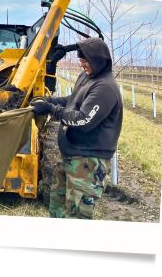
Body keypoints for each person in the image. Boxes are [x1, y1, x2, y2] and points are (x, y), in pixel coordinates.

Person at [32, 38, 123, 219]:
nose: (81, 65)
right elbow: (72, 102)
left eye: (85, 61)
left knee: (77, 217)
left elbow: (83, 119)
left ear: (97, 59)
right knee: (58, 212)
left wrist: (50, 110)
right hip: (71, 156)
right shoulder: (87, 77)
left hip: (88, 163)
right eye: (80, 60)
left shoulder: (104, 87)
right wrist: (48, 101)